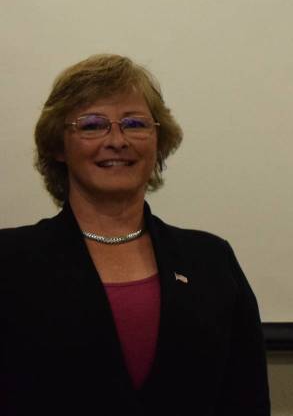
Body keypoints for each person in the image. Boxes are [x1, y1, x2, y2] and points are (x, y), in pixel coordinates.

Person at [0, 54, 270, 415]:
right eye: (92, 125)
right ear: (58, 146)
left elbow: (246, 400)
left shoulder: (212, 261)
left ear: (158, 141)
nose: (117, 140)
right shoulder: (9, 262)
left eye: (135, 123)